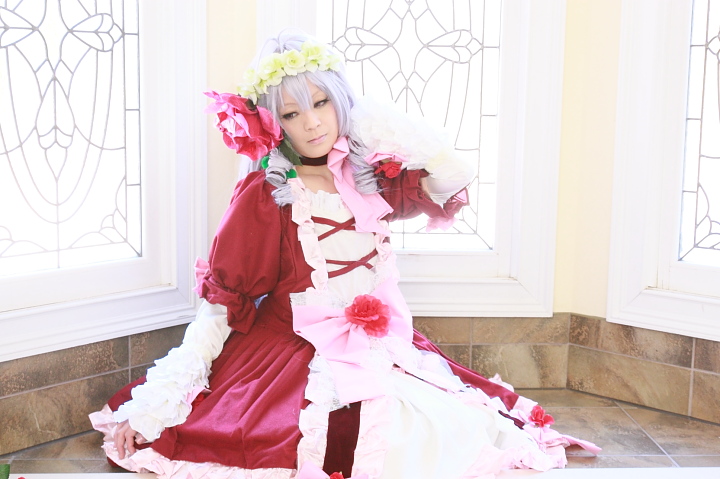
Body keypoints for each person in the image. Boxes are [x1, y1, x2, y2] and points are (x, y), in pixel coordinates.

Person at [90, 31, 598, 479]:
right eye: (291, 113)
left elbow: (454, 175)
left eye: (322, 103)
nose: (312, 124)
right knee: (348, 440)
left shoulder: (369, 176)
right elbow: (223, 303)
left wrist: (380, 123)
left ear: (342, 101)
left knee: (453, 426)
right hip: (292, 349)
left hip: (380, 342)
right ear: (273, 124)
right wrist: (161, 400)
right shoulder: (265, 194)